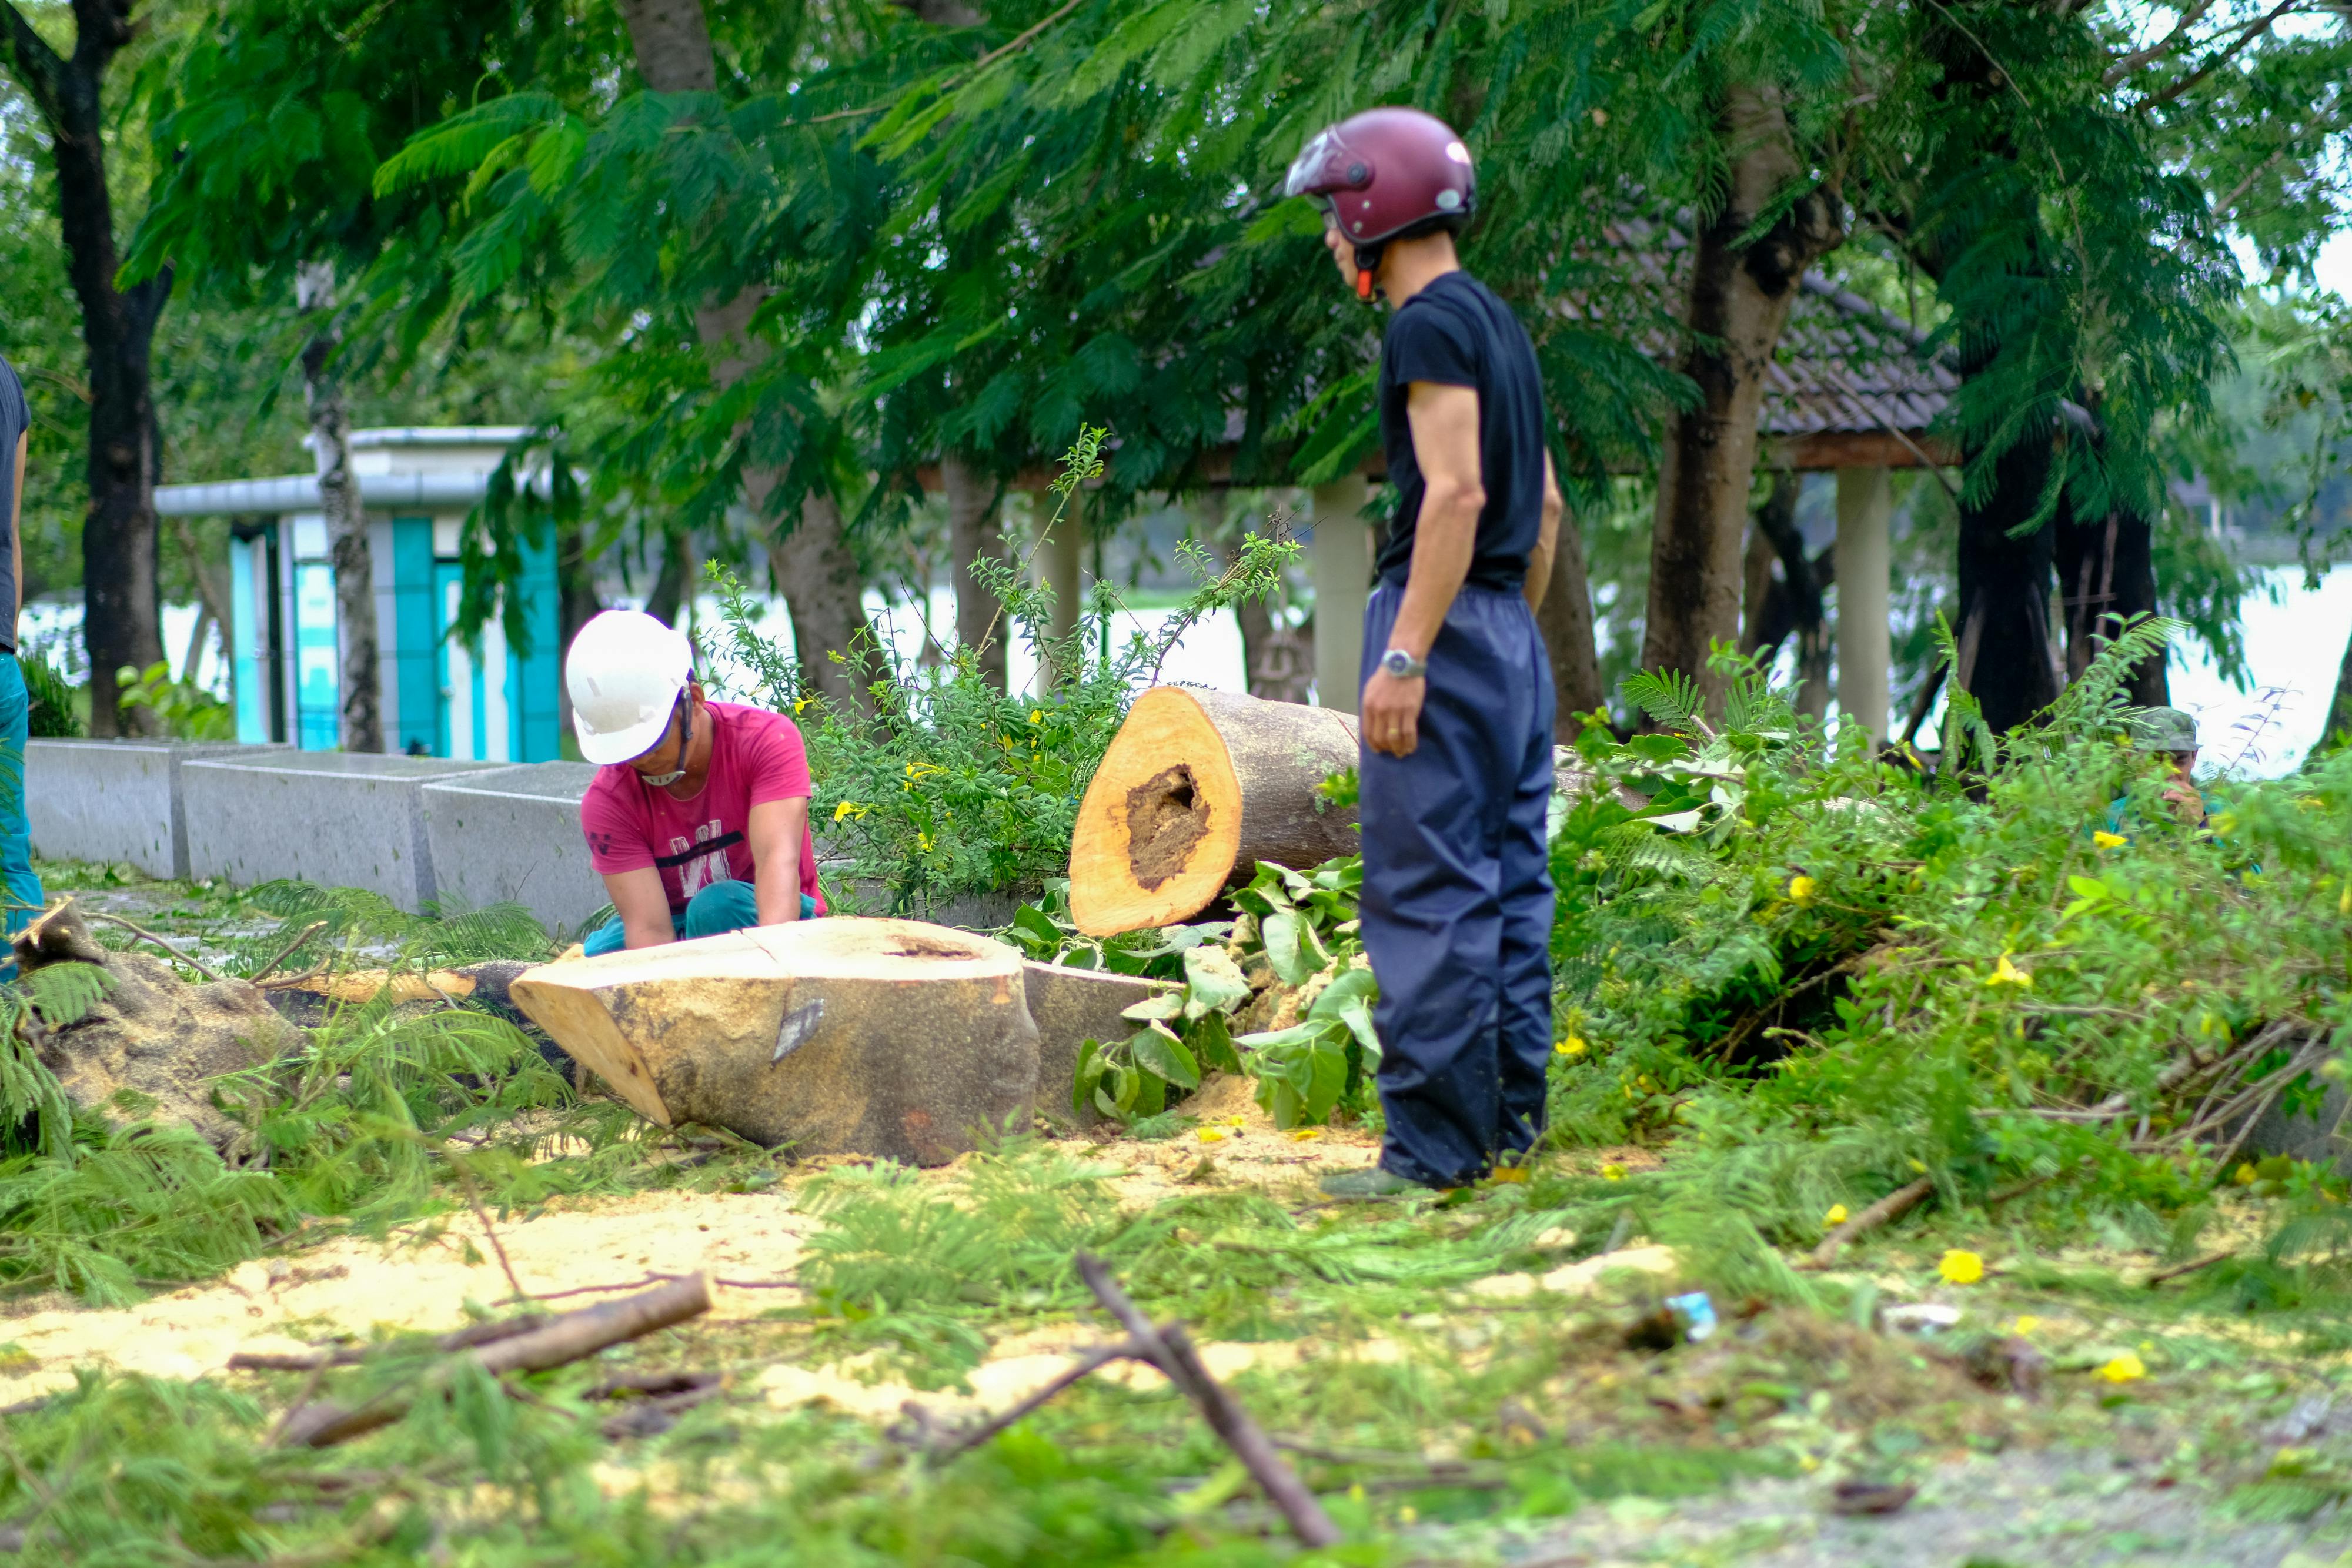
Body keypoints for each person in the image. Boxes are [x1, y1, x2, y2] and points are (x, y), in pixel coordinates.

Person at [1284, 108, 1565, 1198]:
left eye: (1332, 212)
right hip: (1506, 632)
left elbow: (1456, 493)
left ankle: (1435, 1158)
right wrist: (1506, 632)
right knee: (1510, 888)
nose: (1328, 235)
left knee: (1429, 893)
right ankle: (1509, 1137)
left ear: (1375, 211)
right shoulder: (1499, 325)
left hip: (1441, 626)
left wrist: (1409, 655)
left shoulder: (1427, 327)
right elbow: (1543, 508)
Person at [566, 609, 826, 955]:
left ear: (695, 700)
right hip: (680, 927)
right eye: (628, 751)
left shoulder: (765, 741)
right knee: (599, 955)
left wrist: (775, 969)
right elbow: (650, 928)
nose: (642, 761)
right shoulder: (608, 802)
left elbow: (778, 864)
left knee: (715, 907)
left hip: (768, 919)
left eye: (652, 743)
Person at [0, 352, 42, 952]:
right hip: (3, 669)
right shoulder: (8, 381)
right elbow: (10, 532)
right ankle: (31, 993)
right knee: (10, 850)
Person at [2104, 706, 2210, 837]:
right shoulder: (2106, 820)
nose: (2170, 773)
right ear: (2131, 756)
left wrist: (2200, 825)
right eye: (2155, 760)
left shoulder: (2217, 809)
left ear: (2194, 757)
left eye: (2180, 759)